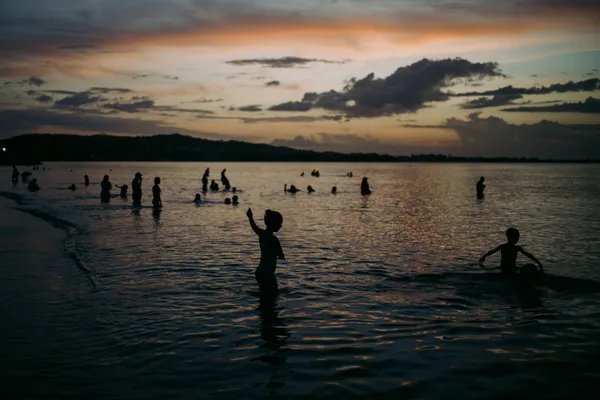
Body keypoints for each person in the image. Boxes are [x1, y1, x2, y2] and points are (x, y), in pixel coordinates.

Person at [246, 208, 285, 300]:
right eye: (280, 223)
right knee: (273, 294)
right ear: (274, 224)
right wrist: (281, 256)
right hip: (268, 273)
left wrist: (250, 217)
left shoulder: (262, 234)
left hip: (260, 271)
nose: (281, 225)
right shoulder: (274, 239)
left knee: (264, 294)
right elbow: (280, 254)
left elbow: (254, 226)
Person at [479, 228, 544, 276]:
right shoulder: (504, 247)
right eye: (516, 237)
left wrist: (538, 263)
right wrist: (483, 257)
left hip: (509, 268)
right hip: (506, 269)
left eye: (518, 237)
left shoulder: (515, 248)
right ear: (510, 237)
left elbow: (529, 255)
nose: (517, 239)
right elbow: (492, 252)